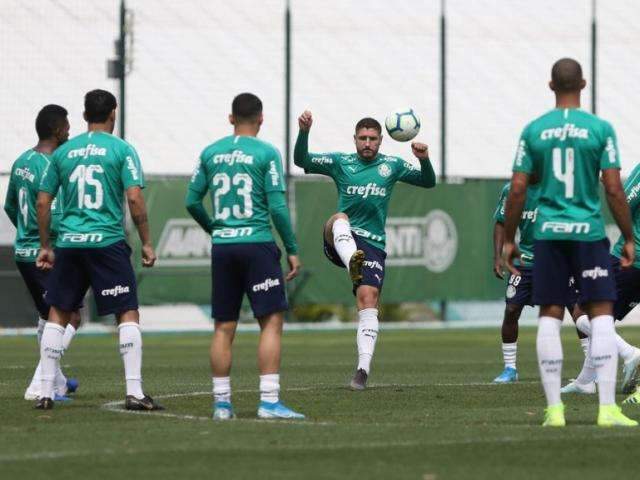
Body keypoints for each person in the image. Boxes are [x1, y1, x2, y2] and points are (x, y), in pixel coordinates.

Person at [504, 58, 637, 427]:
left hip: (548, 235)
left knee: (550, 314)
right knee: (602, 314)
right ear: (584, 83)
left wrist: (510, 240)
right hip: (589, 234)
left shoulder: (533, 130)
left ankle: (554, 411)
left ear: (551, 85)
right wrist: (628, 236)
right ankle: (608, 409)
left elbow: (517, 189)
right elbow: (613, 188)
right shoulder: (600, 128)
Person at [35, 89, 160, 411]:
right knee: (127, 312)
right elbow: (134, 197)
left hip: (70, 244)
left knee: (58, 313)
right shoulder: (122, 150)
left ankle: (46, 391)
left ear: (84, 115)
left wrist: (46, 245)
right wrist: (146, 241)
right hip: (107, 243)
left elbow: (43, 201)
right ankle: (134, 391)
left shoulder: (64, 152)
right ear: (113, 113)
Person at [294, 110, 436, 390]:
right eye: (362, 138)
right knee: (339, 218)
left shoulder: (392, 166)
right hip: (340, 239)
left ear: (382, 140)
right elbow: (302, 160)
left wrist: (424, 160)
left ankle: (362, 370)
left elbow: (428, 181)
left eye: (372, 138)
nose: (367, 143)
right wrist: (304, 131)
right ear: (355, 140)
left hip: (372, 245)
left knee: (369, 299)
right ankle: (351, 262)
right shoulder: (340, 162)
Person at [186, 93, 304, 420]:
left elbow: (192, 201)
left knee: (224, 326)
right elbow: (278, 207)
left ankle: (222, 404)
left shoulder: (210, 152)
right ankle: (268, 402)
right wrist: (292, 249)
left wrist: (215, 229)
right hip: (257, 245)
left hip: (223, 246)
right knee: (271, 321)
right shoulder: (267, 153)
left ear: (230, 118)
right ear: (261, 119)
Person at [4, 104, 81, 401]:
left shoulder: (22, 160)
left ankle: (58, 380)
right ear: (57, 130)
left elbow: (10, 206)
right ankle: (39, 384)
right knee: (70, 316)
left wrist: (27, 232)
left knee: (45, 316)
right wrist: (52, 242)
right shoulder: (52, 165)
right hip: (45, 254)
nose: (69, 131)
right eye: (67, 126)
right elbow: (53, 211)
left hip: (23, 251)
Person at [492, 179, 587, 383]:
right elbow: (501, 222)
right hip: (525, 262)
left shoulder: (558, 188)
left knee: (577, 311)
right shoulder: (512, 190)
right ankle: (510, 369)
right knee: (511, 310)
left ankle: (591, 367)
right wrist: (497, 257)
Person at [561, 161, 640, 398]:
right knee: (605, 319)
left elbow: (623, 203)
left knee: (581, 311)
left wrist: (609, 185)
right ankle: (586, 381)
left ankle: (629, 354)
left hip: (629, 259)